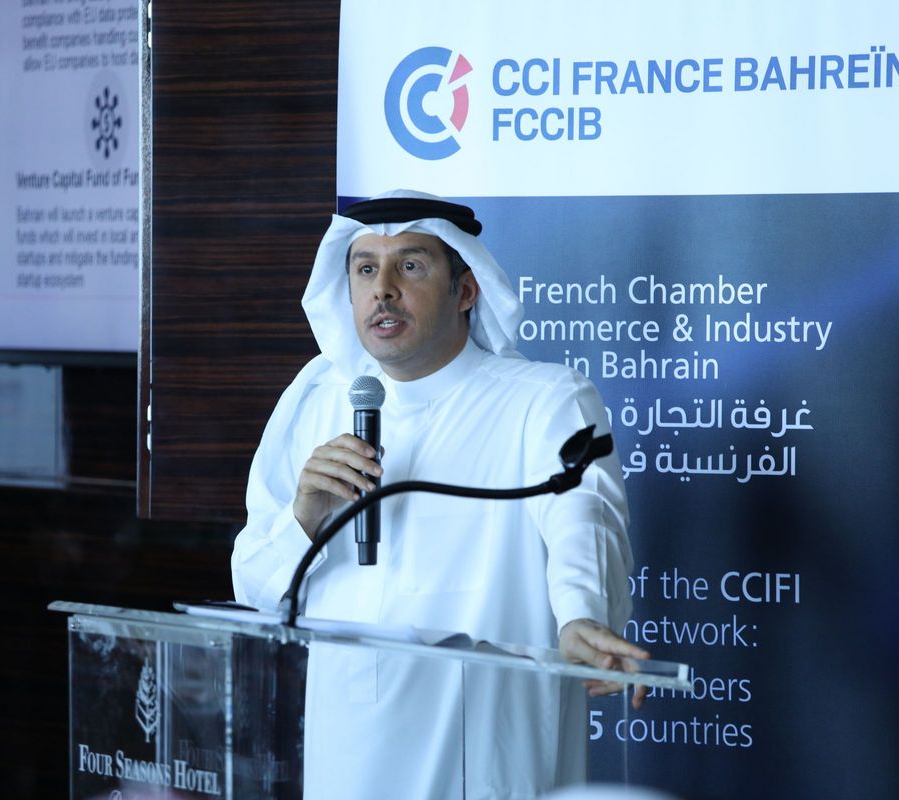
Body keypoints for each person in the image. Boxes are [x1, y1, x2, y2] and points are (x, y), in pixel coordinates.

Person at [231, 189, 647, 799]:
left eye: (411, 265)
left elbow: (584, 515)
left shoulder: (543, 399)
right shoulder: (316, 399)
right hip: (345, 758)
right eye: (365, 269)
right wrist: (305, 521)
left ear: (466, 290)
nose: (383, 290)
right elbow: (253, 588)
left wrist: (583, 612)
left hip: (483, 758)